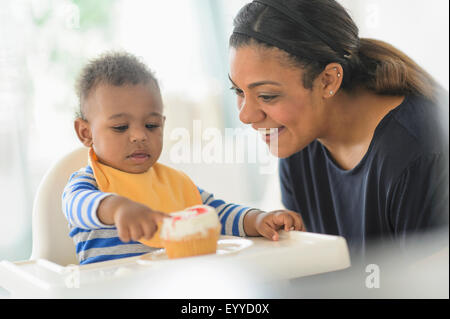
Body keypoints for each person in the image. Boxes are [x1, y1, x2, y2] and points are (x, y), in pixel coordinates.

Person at [228, 0, 449, 260]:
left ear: (328, 80)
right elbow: (314, 268)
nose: (245, 116)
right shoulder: (298, 141)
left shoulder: (419, 151)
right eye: (238, 91)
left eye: (267, 95)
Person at [62, 51, 304, 265]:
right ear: (86, 133)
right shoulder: (87, 184)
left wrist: (258, 219)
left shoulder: (172, 183)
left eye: (151, 125)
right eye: (120, 127)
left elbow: (214, 213)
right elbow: (77, 206)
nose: (139, 136)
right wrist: (116, 208)